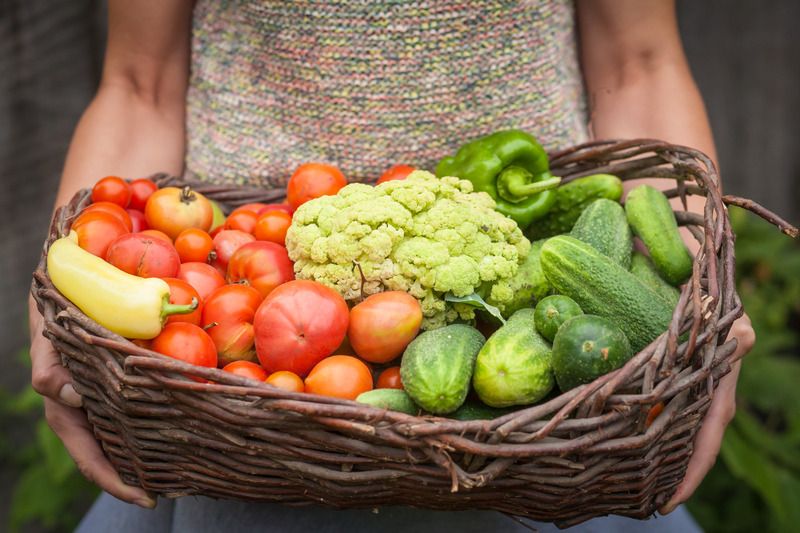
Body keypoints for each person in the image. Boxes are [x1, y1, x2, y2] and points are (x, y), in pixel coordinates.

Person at [28, 0, 755, 531]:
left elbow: (641, 65)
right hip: (234, 386)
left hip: (569, 419)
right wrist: (65, 292)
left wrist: (696, 306)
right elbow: (137, 85)